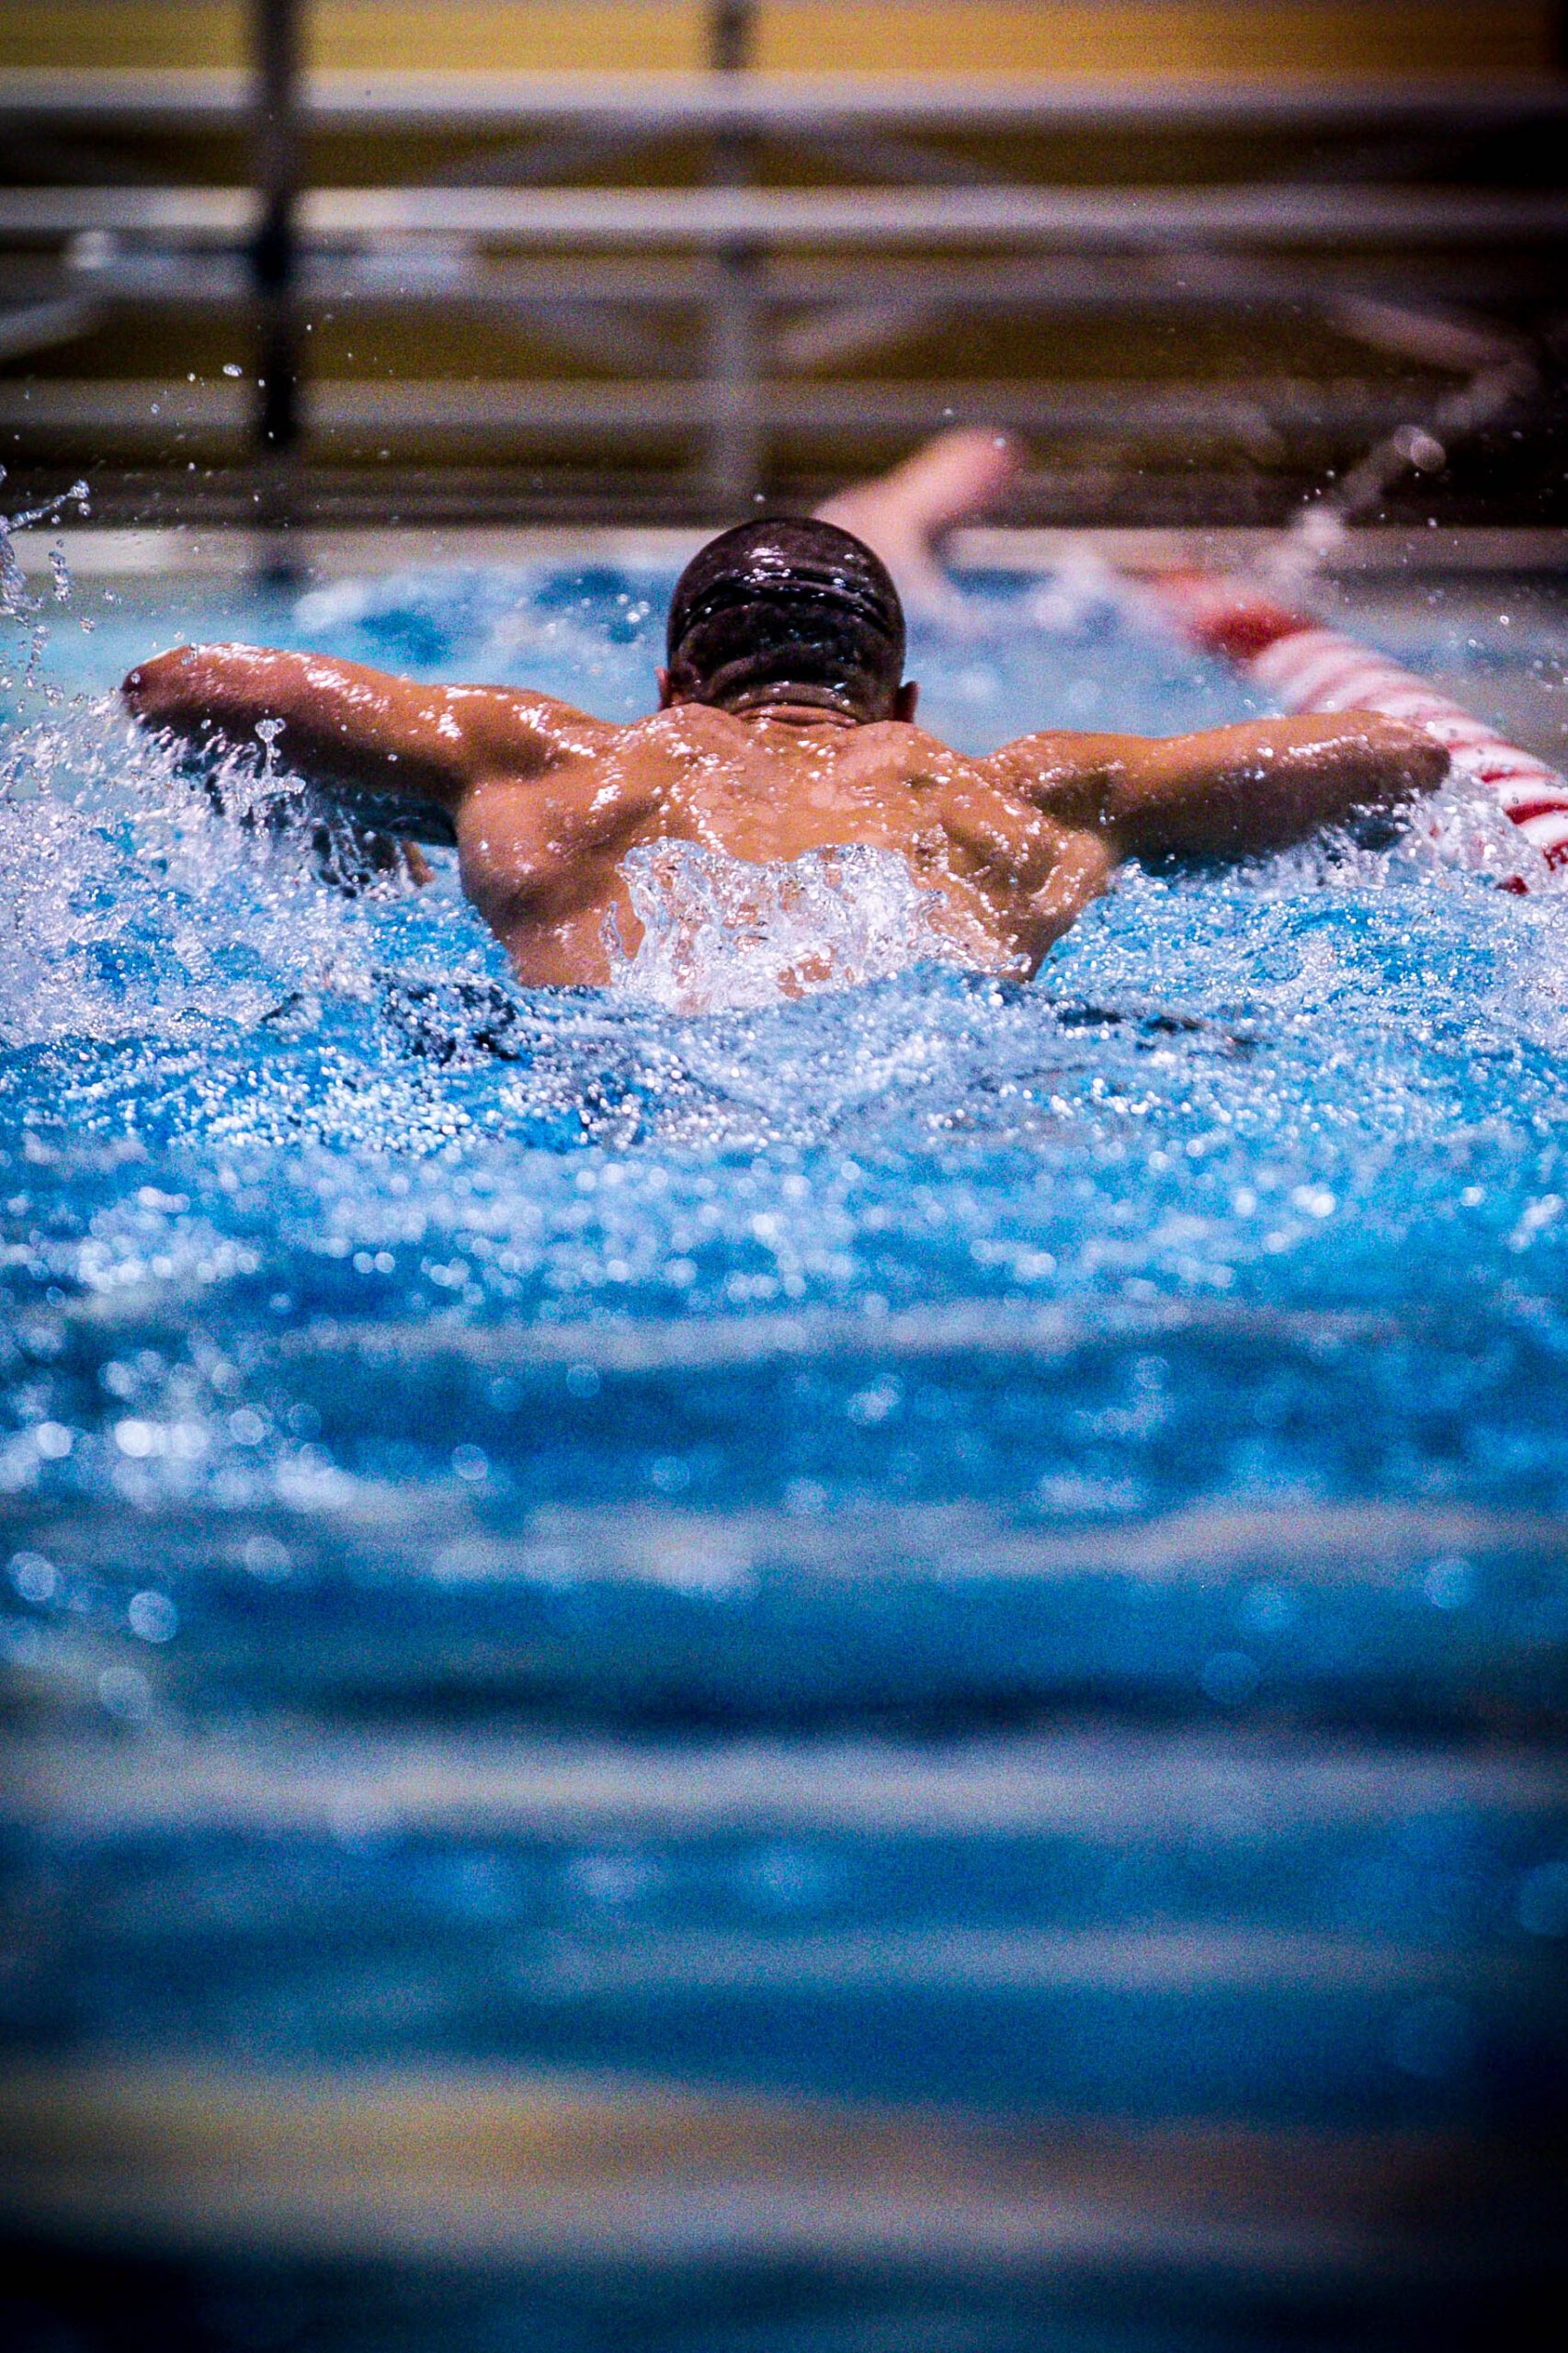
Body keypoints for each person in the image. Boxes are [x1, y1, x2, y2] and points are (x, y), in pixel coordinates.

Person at [122, 438, 1447, 990]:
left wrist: (350, 853)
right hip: (937, 1111)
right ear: (904, 701)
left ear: (667, 689)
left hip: (615, 1112)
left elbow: (186, 691)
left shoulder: (553, 763)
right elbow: (1396, 755)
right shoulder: (1025, 795)